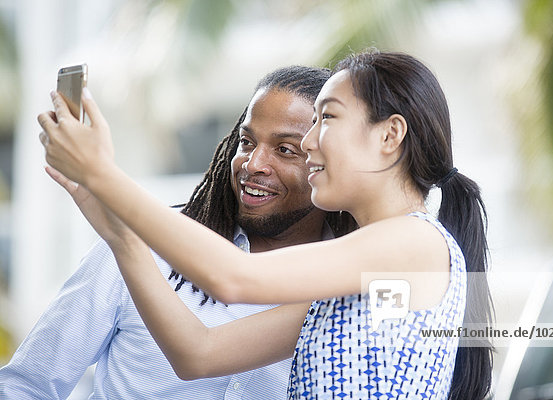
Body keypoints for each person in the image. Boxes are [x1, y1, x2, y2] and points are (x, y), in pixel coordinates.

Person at [37, 50, 494, 399]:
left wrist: (103, 173)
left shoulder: (412, 241)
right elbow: (199, 353)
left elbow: (234, 279)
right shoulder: (349, 283)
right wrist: (122, 237)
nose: (311, 141)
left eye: (327, 118)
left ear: (389, 135)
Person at [0, 66, 356, 399]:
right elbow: (27, 385)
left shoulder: (350, 287)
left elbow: (200, 350)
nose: (253, 164)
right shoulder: (143, 242)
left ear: (328, 162)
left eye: (285, 150)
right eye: (246, 142)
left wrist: (105, 187)